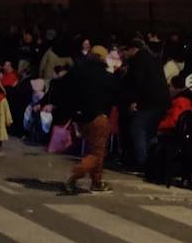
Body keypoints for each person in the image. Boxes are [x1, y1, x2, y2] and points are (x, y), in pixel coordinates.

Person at [62, 46, 119, 194]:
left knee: (93, 150)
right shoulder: (106, 77)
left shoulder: (76, 71)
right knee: (97, 153)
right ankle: (74, 175)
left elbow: (63, 88)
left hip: (80, 118)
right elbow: (116, 95)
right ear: (102, 58)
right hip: (98, 117)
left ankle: (97, 181)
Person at [123, 39, 168, 171]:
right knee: (151, 132)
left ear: (132, 49)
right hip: (162, 101)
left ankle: (142, 162)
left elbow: (137, 83)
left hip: (149, 101)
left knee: (138, 128)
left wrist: (133, 101)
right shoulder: (153, 59)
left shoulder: (139, 60)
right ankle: (153, 162)